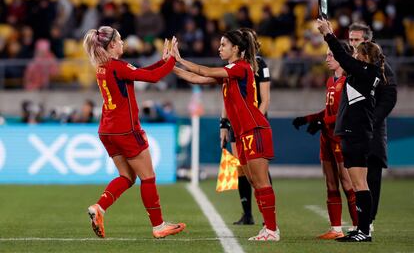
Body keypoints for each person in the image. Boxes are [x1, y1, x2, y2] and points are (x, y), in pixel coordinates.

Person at [172, 29, 280, 241]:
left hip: (254, 129)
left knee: (261, 182)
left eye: (223, 45)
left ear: (236, 49)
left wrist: (179, 58)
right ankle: (268, 227)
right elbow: (196, 78)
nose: (219, 48)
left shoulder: (240, 68)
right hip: (242, 133)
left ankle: (272, 229)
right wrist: (169, 66)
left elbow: (203, 71)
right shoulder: (230, 72)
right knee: (254, 182)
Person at [83, 26, 185, 239]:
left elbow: (142, 72)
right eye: (119, 40)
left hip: (107, 131)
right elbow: (154, 77)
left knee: (127, 177)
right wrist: (173, 60)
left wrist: (162, 60)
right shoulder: (117, 67)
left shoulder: (104, 67)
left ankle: (99, 208)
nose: (122, 43)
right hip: (126, 130)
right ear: (111, 45)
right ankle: (158, 226)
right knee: (148, 178)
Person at [317, 18, 386, 242]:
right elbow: (345, 60)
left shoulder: (368, 72)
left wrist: (328, 33)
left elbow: (343, 57)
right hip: (356, 134)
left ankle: (364, 231)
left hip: (356, 134)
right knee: (359, 185)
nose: (354, 57)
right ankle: (361, 229)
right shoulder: (367, 73)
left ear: (365, 57)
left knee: (358, 185)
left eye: (357, 54)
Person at [292, 44, 358, 239]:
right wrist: (309, 119)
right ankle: (336, 229)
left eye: (331, 55)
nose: (327, 58)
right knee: (330, 183)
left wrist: (322, 121)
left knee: (347, 183)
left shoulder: (349, 82)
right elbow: (329, 112)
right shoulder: (331, 81)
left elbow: (345, 114)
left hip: (340, 137)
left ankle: (358, 226)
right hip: (326, 137)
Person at [219, 28, 272, 226]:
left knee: (259, 172)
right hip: (237, 124)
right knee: (241, 168)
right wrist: (224, 124)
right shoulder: (232, 66)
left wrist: (255, 120)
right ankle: (247, 213)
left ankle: (268, 219)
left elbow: (265, 99)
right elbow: (227, 99)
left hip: (253, 124)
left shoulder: (259, 64)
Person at [348, 23, 397, 232]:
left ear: (367, 41)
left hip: (372, 130)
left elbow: (389, 99)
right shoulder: (351, 65)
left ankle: (369, 221)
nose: (352, 44)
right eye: (350, 39)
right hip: (355, 130)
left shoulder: (383, 67)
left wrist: (369, 120)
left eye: (357, 40)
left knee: (372, 176)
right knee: (354, 178)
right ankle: (362, 220)